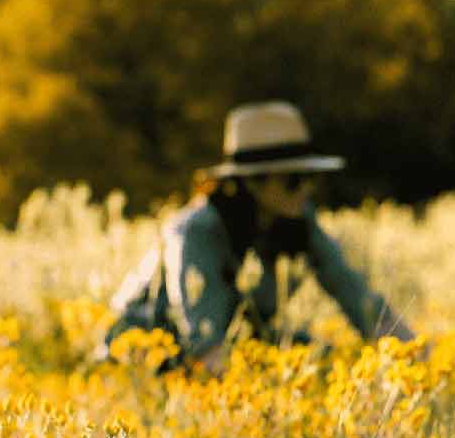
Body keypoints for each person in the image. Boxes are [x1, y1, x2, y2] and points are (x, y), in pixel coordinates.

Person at [101, 101, 413, 372]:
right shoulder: (195, 231)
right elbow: (204, 340)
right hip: (149, 354)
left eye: (309, 178)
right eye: (294, 179)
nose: (305, 189)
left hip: (233, 347)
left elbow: (354, 293)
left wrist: (410, 353)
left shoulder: (297, 220)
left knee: (321, 356)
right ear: (252, 182)